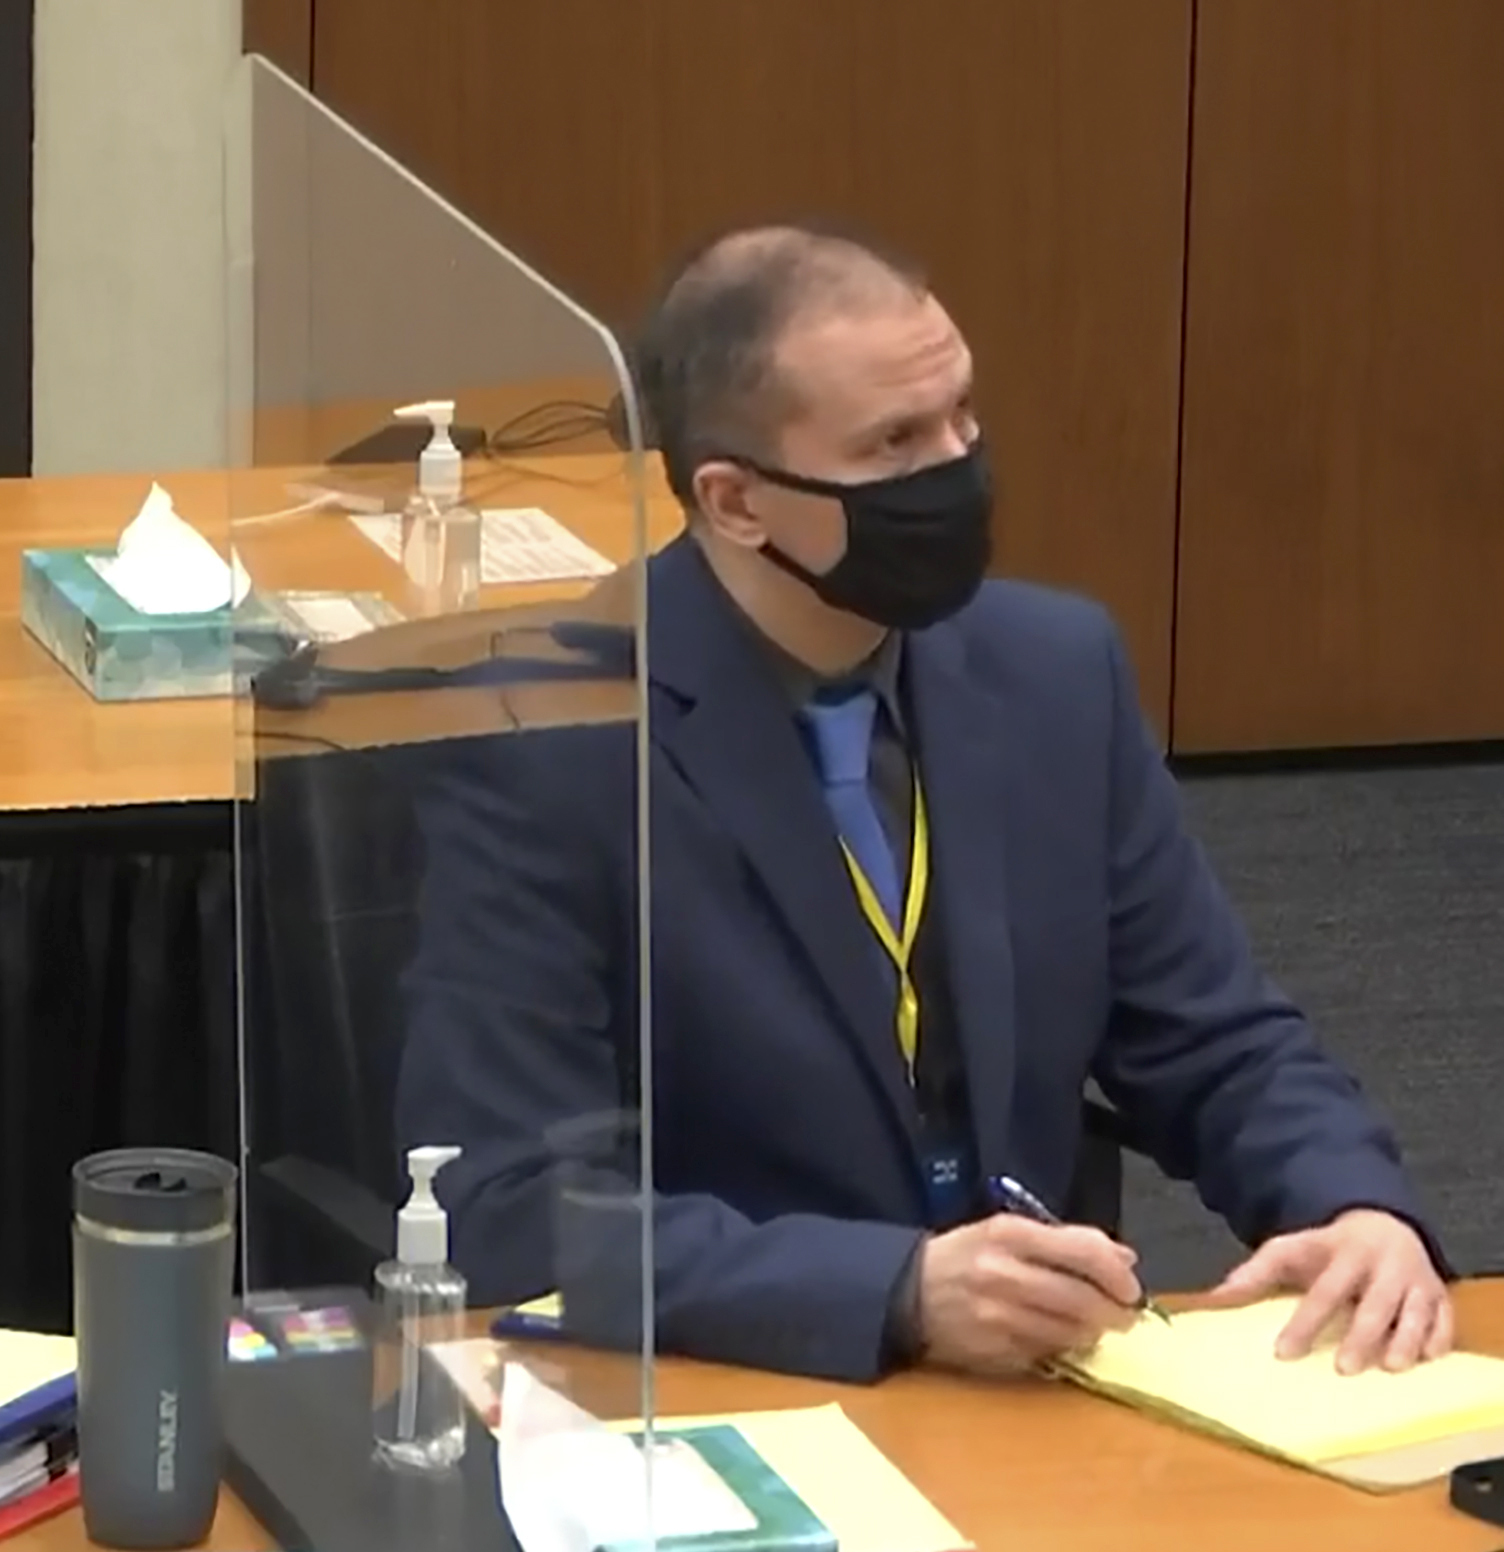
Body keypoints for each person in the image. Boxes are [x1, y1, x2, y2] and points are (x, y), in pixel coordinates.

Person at [396, 224, 1449, 1385]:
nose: (954, 468)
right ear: (736, 502)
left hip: (1042, 1376)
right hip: (738, 1385)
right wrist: (894, 1290)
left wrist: (1350, 1202)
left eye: (962, 416)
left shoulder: (1054, 669)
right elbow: (505, 1201)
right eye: (895, 443)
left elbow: (1214, 1036)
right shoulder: (547, 738)